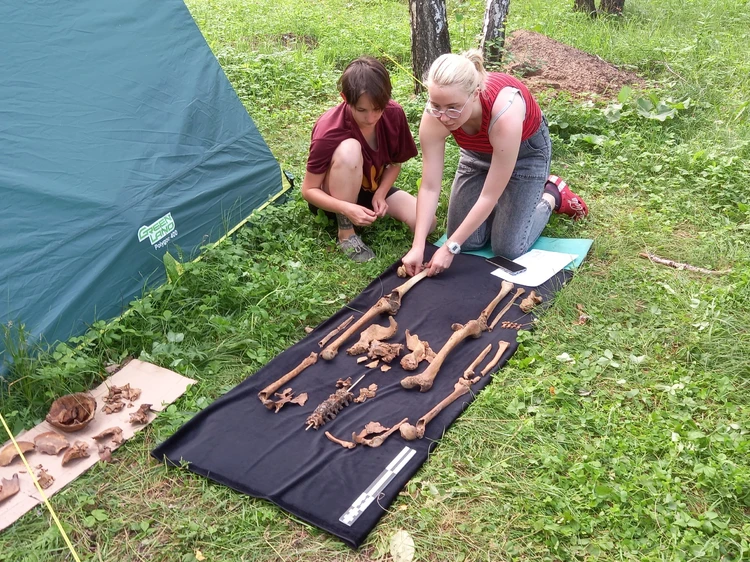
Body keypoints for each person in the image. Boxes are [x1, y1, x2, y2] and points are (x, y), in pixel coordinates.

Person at [402, 50, 589, 277]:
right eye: (436, 105)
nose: (443, 116)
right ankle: (508, 210)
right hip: (476, 154)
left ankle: (552, 194)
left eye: (453, 107)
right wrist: (418, 246)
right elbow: (430, 186)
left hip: (525, 155)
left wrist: (449, 248)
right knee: (467, 242)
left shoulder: (505, 113)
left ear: (475, 93)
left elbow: (488, 195)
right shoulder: (436, 114)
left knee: (508, 248)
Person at [302, 57, 434, 263]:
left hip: (370, 189)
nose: (371, 118)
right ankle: (346, 233)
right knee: (350, 149)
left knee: (427, 223)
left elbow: (395, 163)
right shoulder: (329, 129)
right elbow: (309, 190)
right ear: (345, 98)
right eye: (362, 110)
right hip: (334, 198)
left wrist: (380, 194)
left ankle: (368, 207)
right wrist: (346, 208)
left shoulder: (394, 113)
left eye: (378, 109)